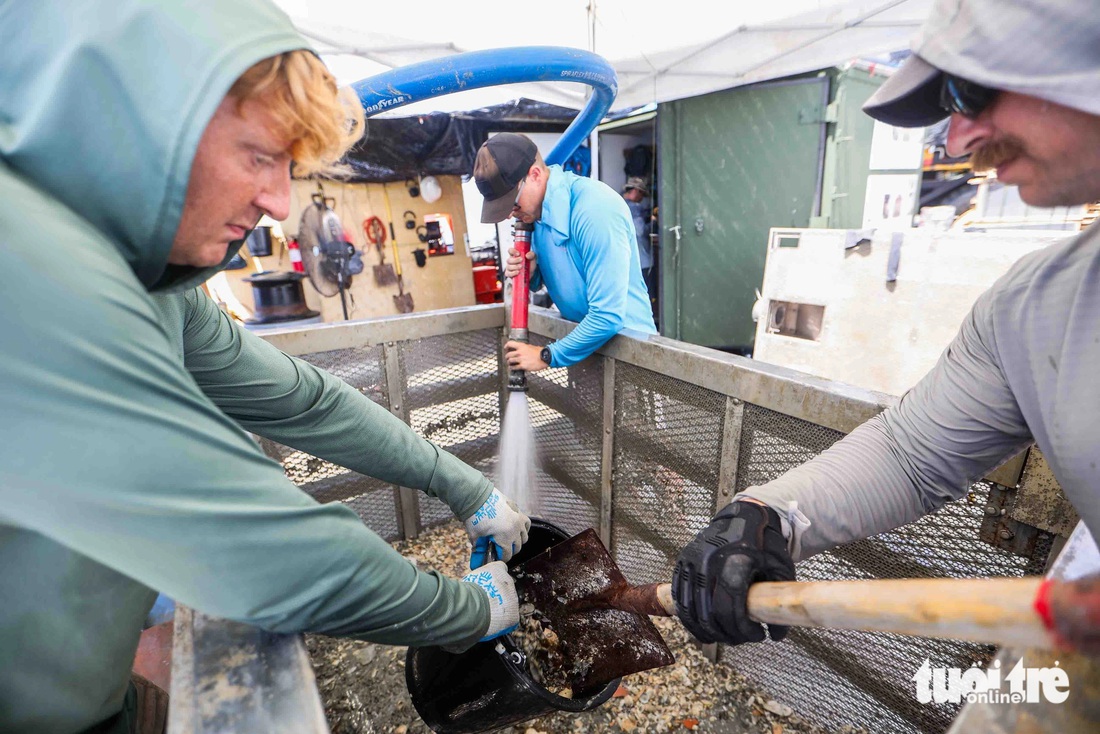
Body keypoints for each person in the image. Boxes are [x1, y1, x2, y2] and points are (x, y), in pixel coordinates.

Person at [0, 2, 528, 732]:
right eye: (257, 155)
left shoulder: (154, 281)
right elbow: (270, 552)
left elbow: (304, 402)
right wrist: (473, 610)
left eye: (287, 167)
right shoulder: (33, 272)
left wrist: (460, 484)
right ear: (149, 125)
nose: (281, 202)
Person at [673, 0, 1100, 655]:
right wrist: (765, 515)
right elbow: (911, 454)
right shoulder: (1035, 306)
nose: (956, 140)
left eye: (970, 91)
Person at [473, 133, 657, 372]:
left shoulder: (595, 210)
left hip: (631, 356)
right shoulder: (537, 216)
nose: (510, 214)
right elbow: (564, 276)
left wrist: (546, 356)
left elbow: (608, 316)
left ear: (536, 175)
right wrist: (533, 273)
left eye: (513, 204)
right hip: (586, 351)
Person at [622, 176, 658, 316]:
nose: (642, 198)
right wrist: (654, 221)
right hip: (642, 261)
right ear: (636, 191)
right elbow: (640, 230)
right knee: (646, 296)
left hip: (627, 261)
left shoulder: (619, 203)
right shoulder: (634, 208)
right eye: (642, 194)